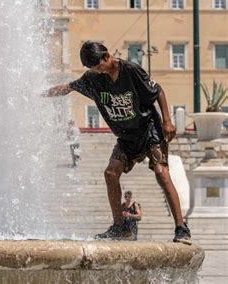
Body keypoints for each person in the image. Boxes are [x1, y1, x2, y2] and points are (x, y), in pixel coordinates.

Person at [42, 40, 191, 244]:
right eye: (93, 68)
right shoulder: (93, 78)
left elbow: (159, 91)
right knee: (110, 173)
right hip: (126, 137)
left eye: (99, 66)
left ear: (107, 56)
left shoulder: (130, 71)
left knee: (161, 173)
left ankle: (181, 228)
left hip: (149, 130)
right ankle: (119, 227)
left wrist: (167, 121)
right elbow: (68, 87)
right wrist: (39, 94)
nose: (98, 71)